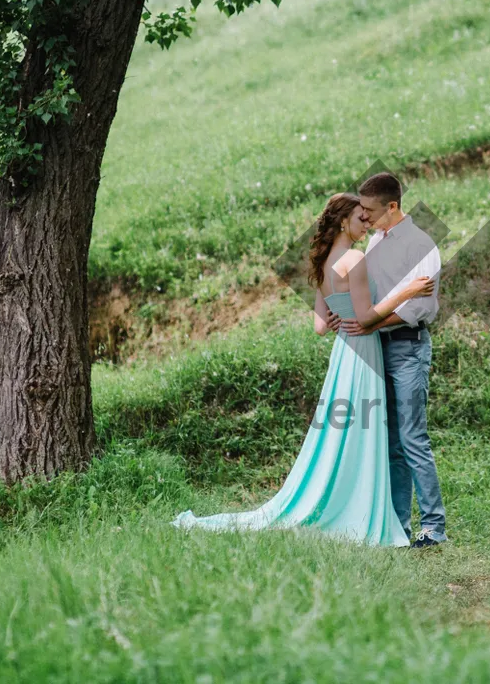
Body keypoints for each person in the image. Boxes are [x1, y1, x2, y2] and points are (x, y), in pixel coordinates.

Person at [171, 192, 434, 546]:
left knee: (351, 428)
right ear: (343, 222)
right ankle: (362, 507)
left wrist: (344, 313)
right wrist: (409, 291)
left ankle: (354, 499)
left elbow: (320, 326)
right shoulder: (354, 257)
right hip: (363, 347)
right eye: (360, 217)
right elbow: (370, 316)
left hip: (343, 352)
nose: (366, 222)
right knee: (364, 431)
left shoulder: (325, 262)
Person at [334, 172, 447, 549]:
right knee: (392, 442)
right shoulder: (373, 243)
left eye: (369, 210)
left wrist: (371, 325)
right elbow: (371, 296)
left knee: (413, 438)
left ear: (392, 206)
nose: (363, 217)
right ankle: (398, 524)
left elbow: (420, 306)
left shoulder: (421, 246)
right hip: (377, 348)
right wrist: (345, 314)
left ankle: (433, 527)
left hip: (408, 349)